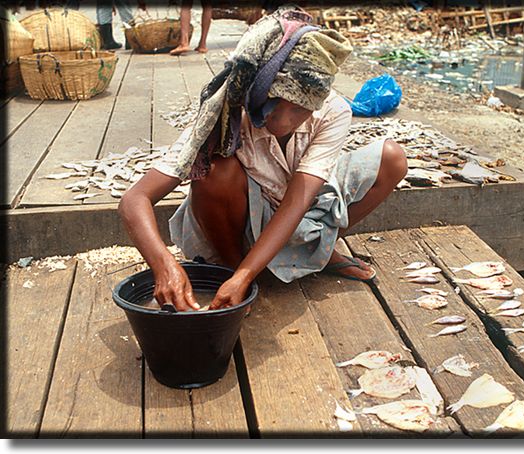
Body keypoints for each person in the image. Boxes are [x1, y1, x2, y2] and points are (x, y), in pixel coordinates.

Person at [119, 6, 407, 312]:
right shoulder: (225, 110)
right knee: (216, 171)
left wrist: (246, 275)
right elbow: (134, 199)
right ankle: (235, 271)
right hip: (246, 217)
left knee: (393, 159)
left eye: (305, 109)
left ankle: (313, 253)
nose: (294, 118)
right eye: (288, 105)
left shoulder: (333, 110)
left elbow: (298, 201)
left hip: (301, 208)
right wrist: (163, 264)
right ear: (261, 90)